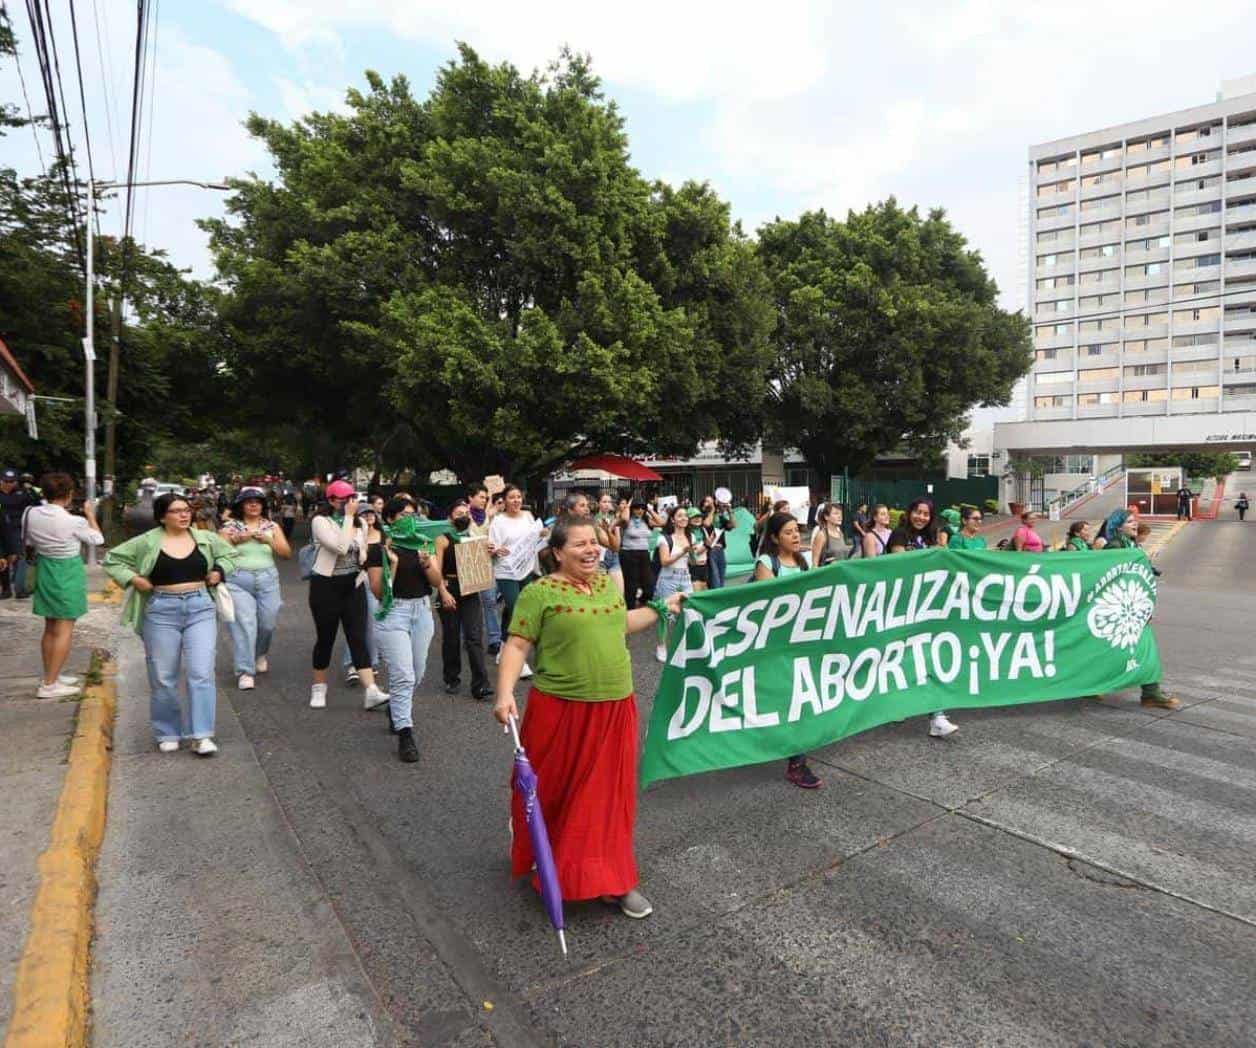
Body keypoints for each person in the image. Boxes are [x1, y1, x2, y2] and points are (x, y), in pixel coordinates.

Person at [493, 515, 685, 920]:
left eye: (594, 542)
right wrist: (505, 693)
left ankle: (614, 881)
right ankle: (549, 862)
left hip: (616, 706)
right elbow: (516, 645)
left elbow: (622, 625)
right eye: (579, 544)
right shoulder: (539, 592)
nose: (591, 549)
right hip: (559, 709)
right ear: (557, 552)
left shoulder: (607, 585)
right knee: (557, 793)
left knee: (607, 801)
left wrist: (662, 607)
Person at [104, 493, 238, 755]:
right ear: (162, 516)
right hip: (161, 610)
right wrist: (133, 579)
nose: (184, 515)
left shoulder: (205, 538)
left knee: (201, 672)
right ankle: (167, 731)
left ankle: (201, 735)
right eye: (176, 511)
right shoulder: (146, 542)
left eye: (186, 510)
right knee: (164, 675)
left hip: (200, 607)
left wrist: (219, 571)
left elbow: (231, 555)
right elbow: (112, 559)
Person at [368, 498, 442, 763]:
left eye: (413, 514)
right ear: (389, 519)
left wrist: (426, 563)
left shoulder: (423, 542)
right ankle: (405, 733)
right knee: (403, 676)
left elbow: (436, 581)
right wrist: (395, 563)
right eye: (402, 515)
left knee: (417, 672)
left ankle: (396, 709)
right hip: (393, 613)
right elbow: (378, 591)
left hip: (421, 611)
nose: (408, 519)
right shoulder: (378, 549)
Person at [753, 512, 822, 789]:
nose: (796, 536)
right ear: (773, 538)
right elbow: (767, 607)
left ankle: (797, 760)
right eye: (788, 532)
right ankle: (796, 762)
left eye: (797, 531)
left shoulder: (802, 562)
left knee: (798, 703)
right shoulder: (766, 564)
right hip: (776, 648)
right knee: (784, 702)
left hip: (800, 645)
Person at [308, 481, 388, 710]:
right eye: (344, 500)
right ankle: (319, 687)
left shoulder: (360, 522)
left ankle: (371, 690)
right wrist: (348, 520)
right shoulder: (320, 522)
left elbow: (360, 551)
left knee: (358, 637)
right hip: (326, 585)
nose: (350, 504)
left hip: (352, 584)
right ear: (332, 500)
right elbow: (340, 547)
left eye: (352, 499)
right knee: (326, 638)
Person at [23, 473, 104, 698]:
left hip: (44, 567)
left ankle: (51, 674)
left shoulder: (30, 514)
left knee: (50, 626)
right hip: (67, 571)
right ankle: (49, 685)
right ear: (69, 495)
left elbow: (29, 541)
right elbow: (98, 539)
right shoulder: (74, 521)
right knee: (64, 629)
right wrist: (89, 514)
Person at [1092, 508, 1179, 710]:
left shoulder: (1130, 545)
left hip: (1134, 608)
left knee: (1134, 649)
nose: (1135, 524)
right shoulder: (1114, 547)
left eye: (1135, 520)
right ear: (1117, 525)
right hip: (1121, 609)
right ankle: (1150, 693)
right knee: (1135, 649)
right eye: (1129, 521)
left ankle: (1150, 692)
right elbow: (1113, 578)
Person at [886, 498, 958, 739]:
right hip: (901, 606)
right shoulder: (898, 535)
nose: (921, 517)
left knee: (928, 656)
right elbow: (901, 565)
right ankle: (896, 702)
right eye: (918, 512)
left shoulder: (930, 538)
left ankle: (937, 716)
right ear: (909, 512)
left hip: (926, 608)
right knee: (900, 656)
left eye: (926, 514)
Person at [219, 486, 290, 690]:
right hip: (238, 579)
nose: (253, 505)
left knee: (267, 623)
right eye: (249, 501)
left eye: (258, 502)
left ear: (263, 506)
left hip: (267, 578)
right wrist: (234, 540)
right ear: (240, 506)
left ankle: (259, 654)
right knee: (245, 624)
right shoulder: (229, 527)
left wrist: (267, 539)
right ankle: (245, 671)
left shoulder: (271, 526)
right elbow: (219, 554)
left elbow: (286, 553)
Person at [435, 500, 493, 699]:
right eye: (459, 513)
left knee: (474, 637)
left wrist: (488, 553)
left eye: (465, 513)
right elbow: (436, 571)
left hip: (470, 589)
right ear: (450, 517)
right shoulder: (443, 539)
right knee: (451, 636)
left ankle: (481, 684)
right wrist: (443, 592)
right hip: (449, 588)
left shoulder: (473, 537)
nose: (463, 517)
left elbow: (482, 564)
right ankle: (452, 678)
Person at [489, 485, 541, 662]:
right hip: (506, 571)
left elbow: (534, 539)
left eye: (519, 496)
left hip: (526, 569)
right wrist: (496, 549)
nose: (516, 500)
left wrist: (542, 534)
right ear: (504, 500)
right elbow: (491, 546)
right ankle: (518, 657)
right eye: (512, 497)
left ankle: (503, 650)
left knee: (514, 612)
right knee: (519, 610)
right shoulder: (498, 521)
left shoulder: (528, 516)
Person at [340, 501, 383, 686]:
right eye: (364, 514)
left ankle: (371, 663)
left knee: (373, 623)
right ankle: (352, 665)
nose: (368, 516)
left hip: (377, 583)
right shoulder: (354, 534)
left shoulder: (384, 535)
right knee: (355, 624)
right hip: (355, 581)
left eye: (371, 513)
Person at [651, 506, 693, 662]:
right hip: (668, 578)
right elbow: (664, 561)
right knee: (664, 613)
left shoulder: (691, 537)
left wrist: (703, 548)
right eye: (680, 515)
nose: (684, 518)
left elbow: (692, 561)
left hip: (686, 577)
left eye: (685, 515)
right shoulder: (664, 538)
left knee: (688, 611)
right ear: (673, 519)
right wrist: (683, 551)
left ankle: (681, 645)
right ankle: (661, 646)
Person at [467, 483, 504, 656]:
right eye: (481, 497)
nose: (484, 500)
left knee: (489, 602)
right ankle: (468, 638)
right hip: (468, 561)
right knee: (469, 604)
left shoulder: (489, 516)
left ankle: (494, 640)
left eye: (485, 498)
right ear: (470, 498)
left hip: (486, 561)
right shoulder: (463, 514)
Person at [1, 467, 40, 599]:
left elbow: (37, 504)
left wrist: (30, 490)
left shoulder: (23, 492)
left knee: (19, 557)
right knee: (3, 558)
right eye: (5, 481)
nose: (8, 484)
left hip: (18, 529)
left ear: (16, 482)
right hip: (2, 529)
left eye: (11, 481)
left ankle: (20, 588)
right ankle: (6, 589)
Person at [616, 499, 657, 608]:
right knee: (631, 587)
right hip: (629, 554)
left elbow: (662, 522)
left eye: (642, 508)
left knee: (649, 586)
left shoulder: (646, 520)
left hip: (644, 554)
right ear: (632, 509)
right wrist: (629, 505)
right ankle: (630, 610)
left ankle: (641, 602)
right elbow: (624, 518)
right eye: (637, 508)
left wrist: (650, 510)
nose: (640, 510)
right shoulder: (627, 520)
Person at [594, 492, 624, 595]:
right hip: (601, 558)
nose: (607, 504)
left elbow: (617, 545)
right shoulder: (595, 519)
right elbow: (606, 541)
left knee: (619, 593)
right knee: (601, 593)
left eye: (609, 502)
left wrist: (615, 526)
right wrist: (611, 528)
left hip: (614, 556)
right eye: (604, 501)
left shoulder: (614, 519)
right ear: (599, 504)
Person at [810, 502, 848, 566]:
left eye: (841, 514)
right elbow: (814, 563)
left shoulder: (840, 533)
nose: (840, 516)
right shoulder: (821, 535)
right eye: (836, 513)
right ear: (826, 517)